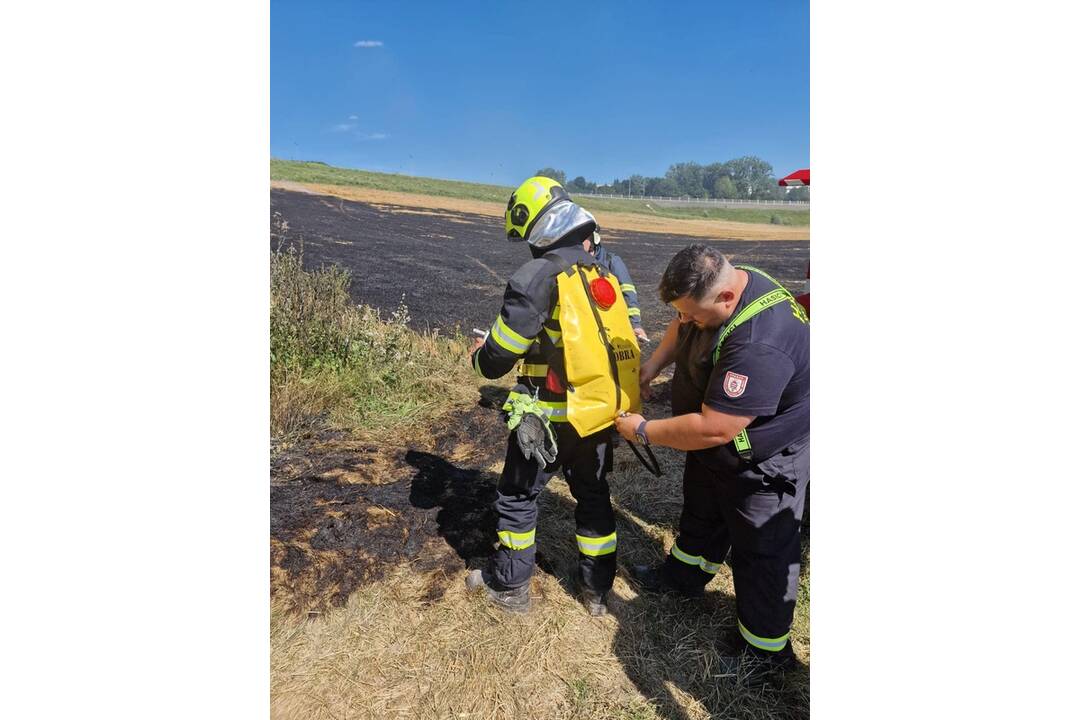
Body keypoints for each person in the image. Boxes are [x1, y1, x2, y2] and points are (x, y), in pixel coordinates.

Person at [613, 243, 809, 678]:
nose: (686, 321)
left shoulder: (760, 342)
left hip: (763, 459)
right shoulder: (723, 285)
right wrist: (652, 368)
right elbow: (679, 328)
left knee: (762, 549)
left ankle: (764, 650)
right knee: (702, 506)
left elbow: (715, 428)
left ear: (725, 298)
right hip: (718, 452)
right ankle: (684, 578)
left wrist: (643, 430)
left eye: (693, 314)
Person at [466, 176, 628, 617]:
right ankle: (596, 592)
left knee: (518, 497)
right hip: (595, 415)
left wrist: (479, 358)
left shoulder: (538, 274)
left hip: (546, 418)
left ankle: (509, 587)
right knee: (593, 496)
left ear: (535, 225)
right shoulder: (603, 271)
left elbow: (500, 356)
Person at [589, 229, 650, 343]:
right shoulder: (574, 261)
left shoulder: (611, 262)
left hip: (611, 322)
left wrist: (635, 324)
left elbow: (628, 292)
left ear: (593, 240)